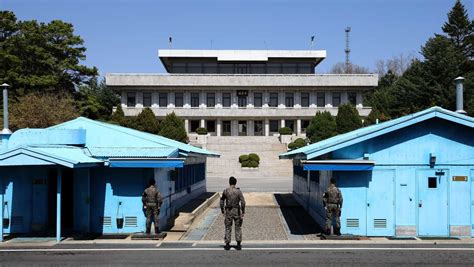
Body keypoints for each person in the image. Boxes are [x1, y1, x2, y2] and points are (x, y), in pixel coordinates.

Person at [220, 176, 246, 250]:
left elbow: (222, 201)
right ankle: (238, 243)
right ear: (235, 183)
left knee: (228, 227)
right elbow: (243, 202)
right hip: (236, 211)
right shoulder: (238, 191)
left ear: (229, 182)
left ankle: (227, 244)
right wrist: (243, 211)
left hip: (228, 211)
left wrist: (222, 210)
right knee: (238, 227)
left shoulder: (226, 191)